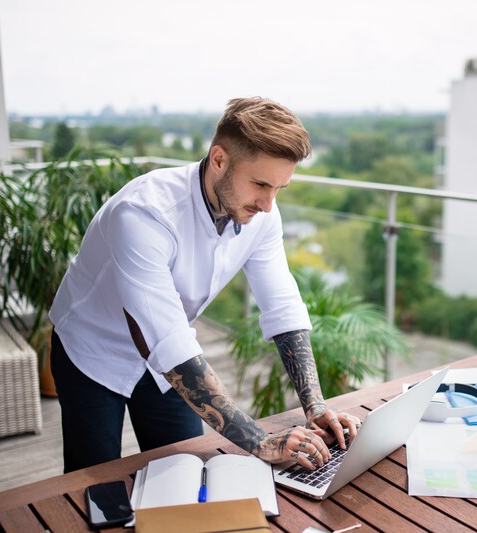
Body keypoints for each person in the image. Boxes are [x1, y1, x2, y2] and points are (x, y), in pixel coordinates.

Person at [48, 97, 361, 473]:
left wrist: (316, 406)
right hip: (92, 351)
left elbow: (282, 306)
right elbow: (168, 339)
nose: (267, 204)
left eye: (279, 188)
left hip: (169, 362)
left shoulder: (262, 212)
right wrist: (259, 441)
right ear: (219, 160)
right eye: (260, 184)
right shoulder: (143, 213)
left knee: (184, 470)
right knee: (93, 482)